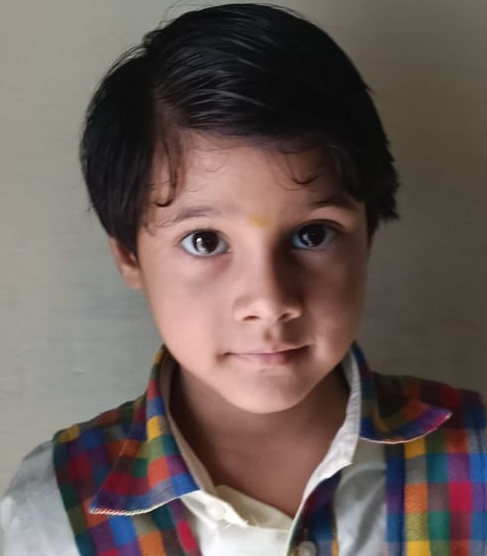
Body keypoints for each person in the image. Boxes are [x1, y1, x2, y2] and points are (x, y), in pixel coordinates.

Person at [2, 3, 486, 555]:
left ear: (367, 236)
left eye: (312, 234)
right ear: (129, 255)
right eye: (205, 241)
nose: (269, 301)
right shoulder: (54, 513)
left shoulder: (475, 456)